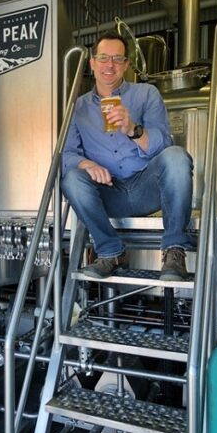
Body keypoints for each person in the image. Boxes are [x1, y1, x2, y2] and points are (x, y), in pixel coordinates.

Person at [62, 31, 194, 281]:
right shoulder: (77, 108)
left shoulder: (146, 94)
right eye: (103, 58)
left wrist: (133, 129)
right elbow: (67, 154)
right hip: (108, 193)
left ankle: (174, 251)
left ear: (126, 65)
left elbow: (165, 145)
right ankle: (110, 251)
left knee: (177, 156)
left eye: (117, 59)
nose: (109, 65)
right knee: (71, 178)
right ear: (92, 63)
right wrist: (87, 164)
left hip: (147, 189)